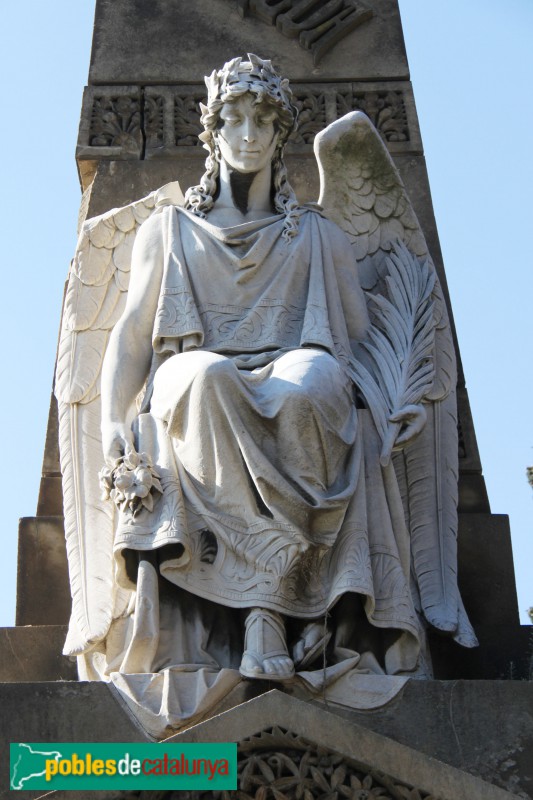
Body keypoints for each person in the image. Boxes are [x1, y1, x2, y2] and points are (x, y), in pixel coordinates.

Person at [99, 55, 430, 685]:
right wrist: (113, 418)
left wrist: (390, 400)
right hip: (196, 375)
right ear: (213, 131)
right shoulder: (169, 230)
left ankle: (268, 606)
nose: (249, 135)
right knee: (208, 378)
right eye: (235, 119)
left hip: (290, 369)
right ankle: (264, 615)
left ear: (281, 136)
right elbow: (133, 331)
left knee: (313, 383)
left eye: (264, 122)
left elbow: (362, 343)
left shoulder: (319, 235)